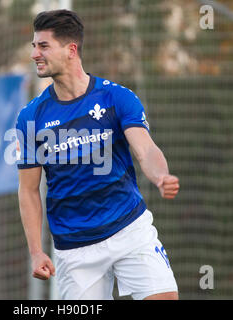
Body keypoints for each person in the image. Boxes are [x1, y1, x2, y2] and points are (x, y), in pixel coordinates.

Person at [16, 9, 180, 300]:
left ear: (71, 50)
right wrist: (36, 251)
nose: (34, 54)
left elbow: (145, 149)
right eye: (34, 46)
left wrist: (160, 175)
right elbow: (28, 190)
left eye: (43, 46)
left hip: (129, 228)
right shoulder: (30, 116)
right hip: (74, 248)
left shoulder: (116, 97)